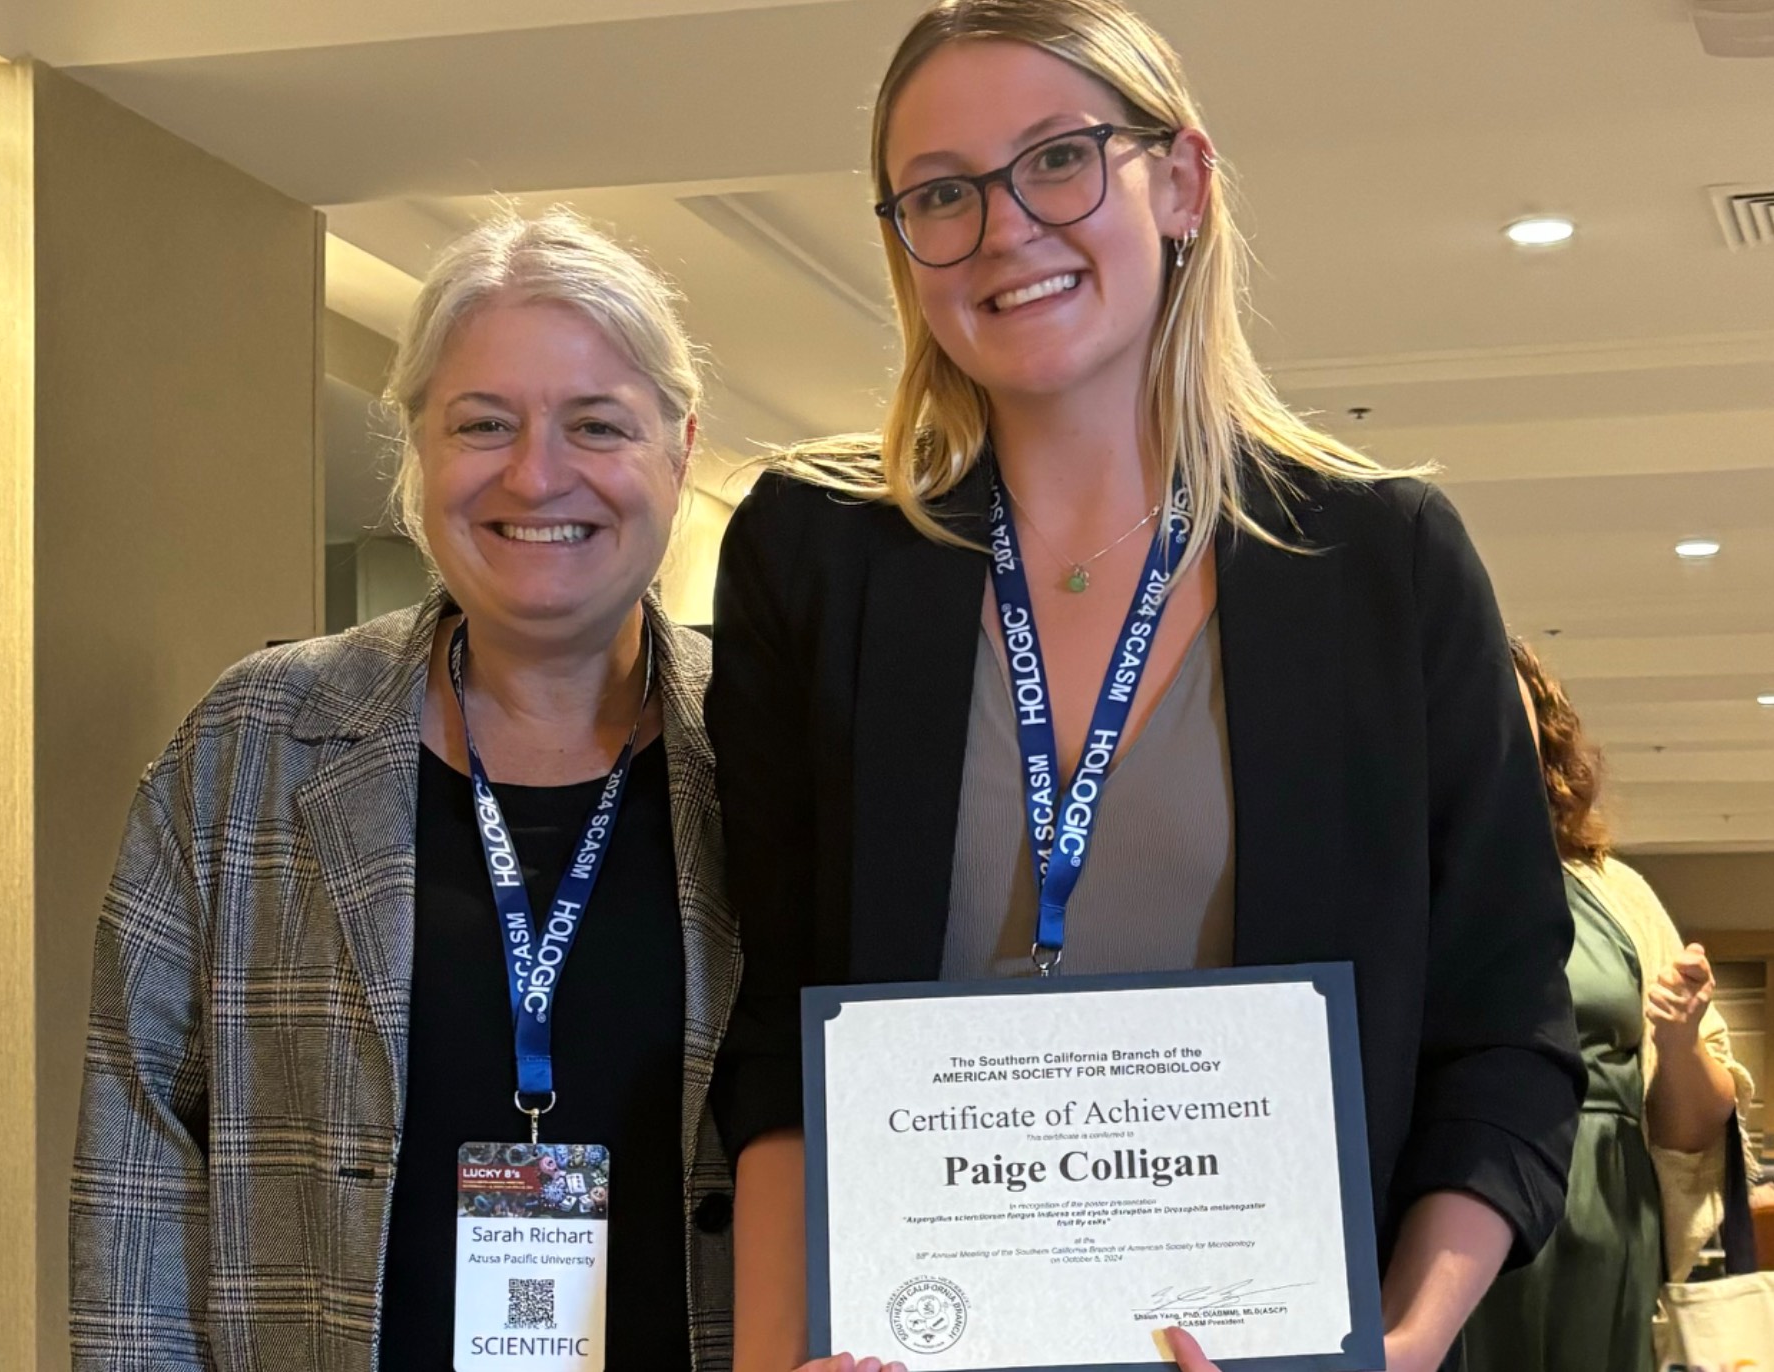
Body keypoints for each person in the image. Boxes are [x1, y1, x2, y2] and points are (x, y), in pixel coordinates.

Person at [704, 2, 1584, 1370]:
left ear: (1179, 182)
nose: (1003, 229)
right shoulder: (814, 557)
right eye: (941, 193)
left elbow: (1506, 1039)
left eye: (1057, 159)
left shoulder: (1383, 563)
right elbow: (776, 1022)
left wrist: (1393, 1349)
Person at [70, 208, 737, 1371]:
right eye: (483, 423)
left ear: (680, 450)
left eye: (596, 424)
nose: (537, 473)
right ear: (418, 447)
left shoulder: (774, 748)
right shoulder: (253, 742)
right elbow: (137, 1150)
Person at [1460, 639, 1752, 1372]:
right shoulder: (1389, 886)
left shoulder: (1614, 892)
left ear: (1543, 732)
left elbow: (1689, 1131)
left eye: (1503, 700)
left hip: (1605, 1219)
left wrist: (1679, 1040)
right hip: (1448, 1202)